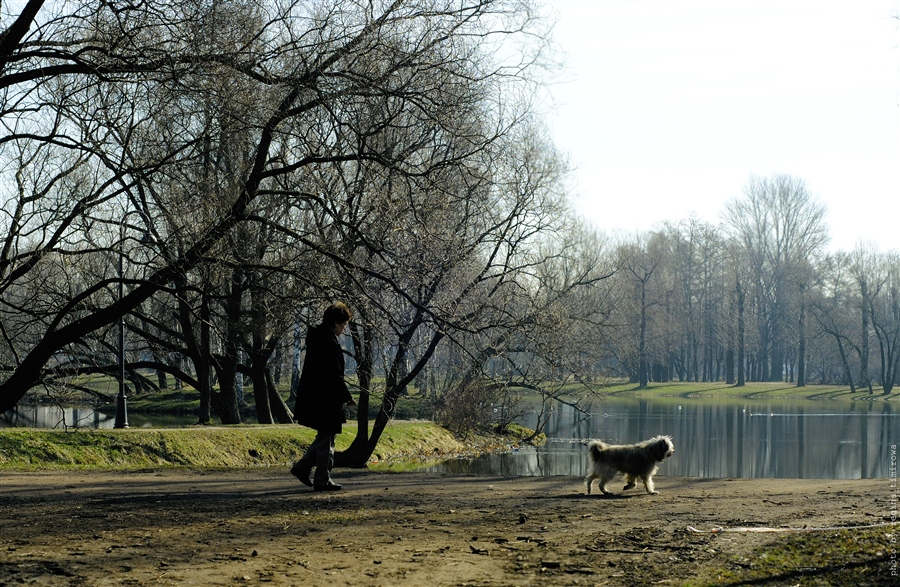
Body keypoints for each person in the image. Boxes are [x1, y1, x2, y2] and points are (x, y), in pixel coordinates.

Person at [290, 302, 356, 491]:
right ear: (335, 322)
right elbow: (333, 374)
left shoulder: (318, 338)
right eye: (343, 325)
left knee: (325, 437)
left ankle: (302, 467)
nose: (344, 329)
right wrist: (346, 396)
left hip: (317, 396)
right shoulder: (328, 342)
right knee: (327, 439)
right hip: (326, 398)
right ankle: (322, 479)